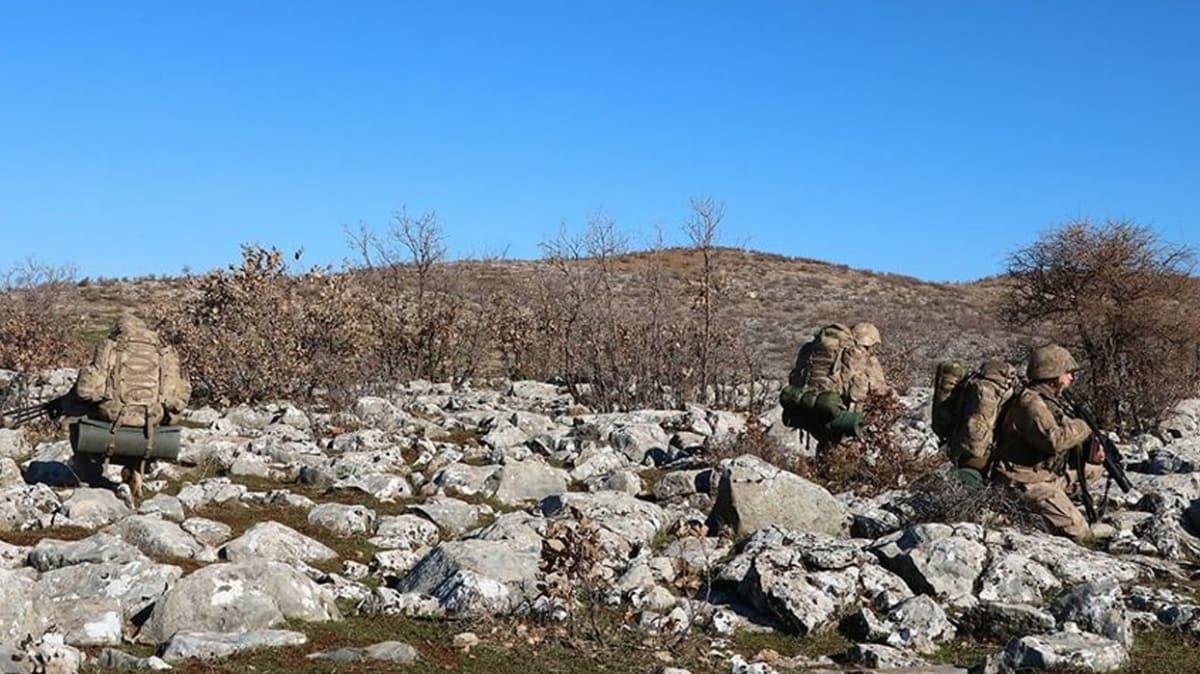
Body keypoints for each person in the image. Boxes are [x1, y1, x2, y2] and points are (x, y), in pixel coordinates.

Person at [992, 344, 1103, 541]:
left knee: (1094, 469)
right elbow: (1054, 441)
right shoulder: (1031, 403)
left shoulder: (1049, 400)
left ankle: (1055, 504)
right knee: (1080, 532)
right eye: (1067, 372)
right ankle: (1025, 509)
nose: (1071, 378)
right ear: (1053, 374)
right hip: (1023, 481)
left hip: (1044, 474)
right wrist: (1085, 426)